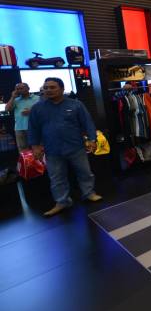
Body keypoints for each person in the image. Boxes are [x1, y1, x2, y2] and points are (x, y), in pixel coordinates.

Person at [28, 78, 102, 217]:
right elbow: (33, 128)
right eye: (46, 88)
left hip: (76, 146)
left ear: (62, 89)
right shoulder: (37, 108)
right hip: (52, 149)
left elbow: (87, 122)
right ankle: (62, 202)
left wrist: (92, 139)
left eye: (52, 87)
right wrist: (35, 146)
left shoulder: (76, 105)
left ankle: (89, 194)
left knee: (85, 173)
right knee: (56, 178)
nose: (48, 90)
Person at [5, 83, 39, 151]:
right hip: (19, 128)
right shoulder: (16, 100)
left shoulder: (37, 98)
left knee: (36, 148)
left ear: (28, 88)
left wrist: (31, 112)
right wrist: (13, 97)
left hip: (34, 127)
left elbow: (43, 112)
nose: (19, 90)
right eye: (17, 89)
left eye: (21, 88)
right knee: (23, 150)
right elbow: (7, 109)